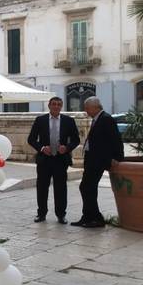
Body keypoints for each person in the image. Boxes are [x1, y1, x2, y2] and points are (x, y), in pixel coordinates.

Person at [71, 97, 124, 228]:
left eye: (87, 107)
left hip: (99, 160)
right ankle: (88, 217)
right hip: (92, 160)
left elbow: (116, 139)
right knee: (87, 187)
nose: (85, 110)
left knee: (87, 187)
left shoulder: (106, 119)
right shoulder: (98, 119)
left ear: (95, 107)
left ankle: (96, 218)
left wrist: (117, 158)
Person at [28, 97, 80, 224]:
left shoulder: (69, 121)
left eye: (59, 104)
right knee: (42, 188)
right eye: (54, 104)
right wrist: (41, 148)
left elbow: (76, 140)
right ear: (49, 106)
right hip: (44, 160)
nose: (56, 106)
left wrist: (67, 148)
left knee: (61, 189)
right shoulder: (40, 120)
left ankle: (61, 215)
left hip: (61, 160)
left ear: (61, 106)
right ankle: (41, 214)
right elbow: (31, 139)